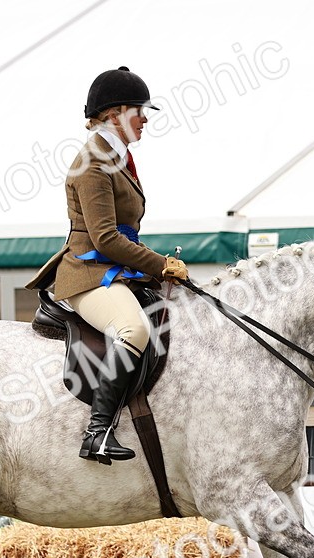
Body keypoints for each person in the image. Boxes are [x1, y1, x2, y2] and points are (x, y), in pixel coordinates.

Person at [26, 66, 189, 464]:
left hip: (116, 270)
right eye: (139, 110)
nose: (146, 118)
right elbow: (105, 239)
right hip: (88, 274)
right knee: (132, 329)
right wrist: (160, 264)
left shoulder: (118, 157)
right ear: (115, 114)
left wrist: (157, 269)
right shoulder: (92, 163)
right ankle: (97, 432)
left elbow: (124, 234)